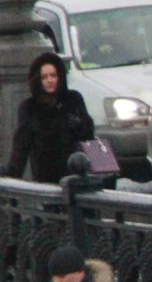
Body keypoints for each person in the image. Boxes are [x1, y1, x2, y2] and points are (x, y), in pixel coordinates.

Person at [7, 51, 94, 183]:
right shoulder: (29, 107)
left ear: (60, 76)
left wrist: (78, 124)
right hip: (46, 179)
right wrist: (11, 180)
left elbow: (88, 133)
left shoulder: (73, 99)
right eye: (44, 77)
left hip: (76, 176)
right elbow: (21, 146)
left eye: (53, 75)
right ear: (38, 80)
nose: (49, 80)